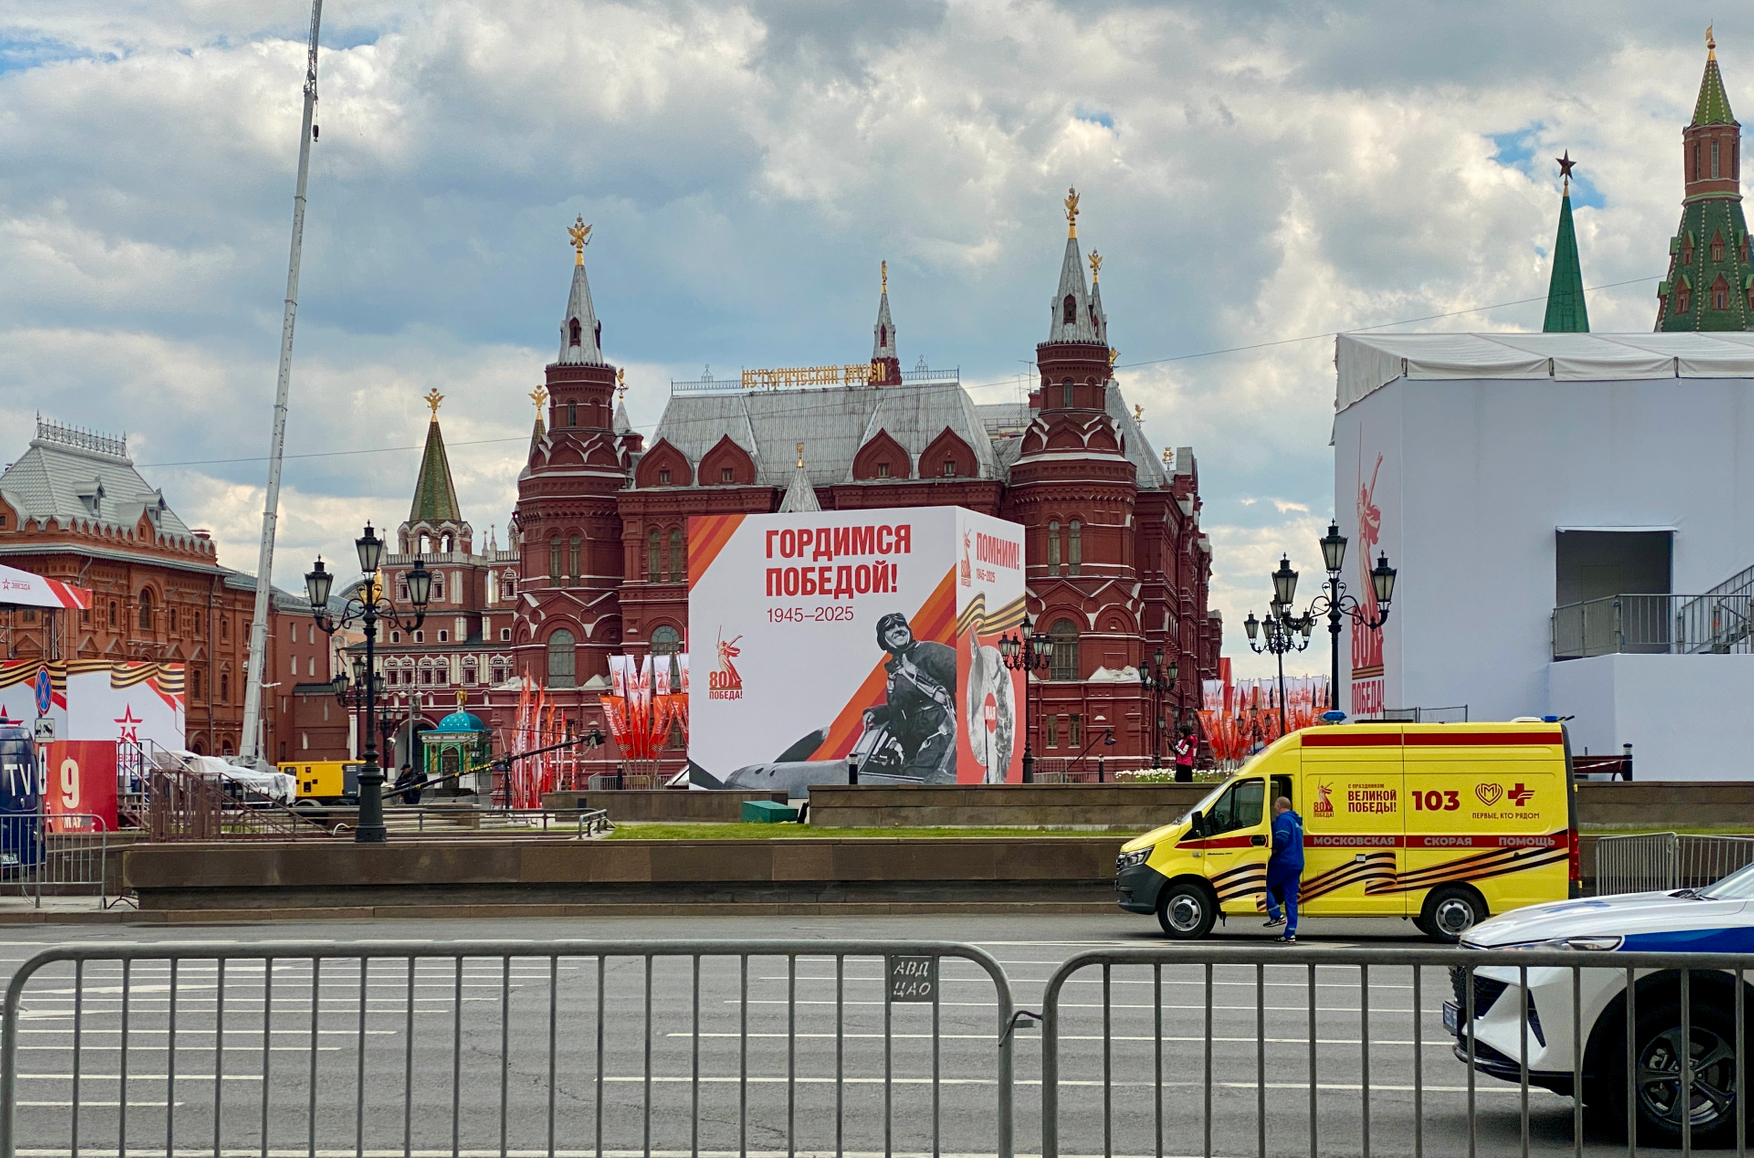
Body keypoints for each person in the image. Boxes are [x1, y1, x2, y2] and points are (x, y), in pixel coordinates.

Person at [862, 612, 958, 782]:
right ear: (883, 639)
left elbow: (966, 673)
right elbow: (902, 708)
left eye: (901, 625)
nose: (898, 629)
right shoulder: (896, 669)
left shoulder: (930, 651)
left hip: (939, 737)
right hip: (914, 745)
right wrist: (877, 713)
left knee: (913, 780)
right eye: (890, 628)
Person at [1263, 795, 1304, 943]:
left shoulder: (1284, 819)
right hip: (1297, 863)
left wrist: (1273, 851)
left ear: (1279, 806)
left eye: (1275, 806)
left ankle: (1276, 915)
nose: (1274, 808)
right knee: (1291, 899)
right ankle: (1290, 933)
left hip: (1283, 862)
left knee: (1262, 885)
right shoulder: (1295, 821)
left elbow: (1281, 839)